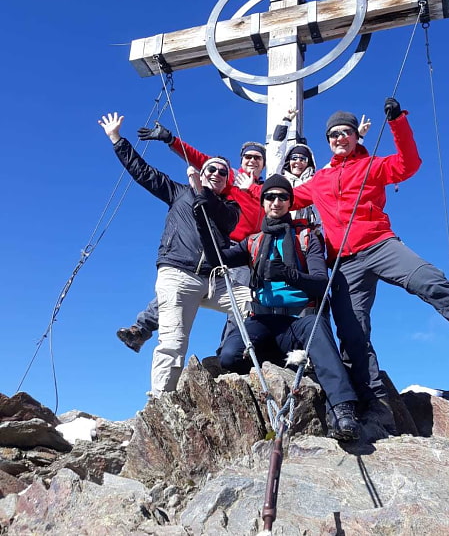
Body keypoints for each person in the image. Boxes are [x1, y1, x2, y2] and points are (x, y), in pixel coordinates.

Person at [291, 100, 449, 413]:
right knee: (353, 333)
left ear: (356, 136)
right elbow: (270, 198)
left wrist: (397, 122)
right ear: (327, 141)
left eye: (346, 132)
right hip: (345, 262)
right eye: (333, 135)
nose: (340, 138)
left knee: (432, 283)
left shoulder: (373, 165)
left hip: (380, 244)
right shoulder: (318, 182)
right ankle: (373, 405)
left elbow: (408, 164)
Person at [99, 112, 251, 396]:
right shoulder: (178, 193)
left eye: (222, 172)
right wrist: (117, 139)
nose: (216, 174)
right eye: (211, 169)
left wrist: (199, 188)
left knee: (254, 304)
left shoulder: (230, 208)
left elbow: (222, 218)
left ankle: (258, 359)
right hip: (178, 275)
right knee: (173, 343)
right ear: (202, 172)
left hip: (215, 279)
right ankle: (160, 405)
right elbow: (143, 172)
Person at [200, 174, 361, 441]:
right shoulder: (253, 241)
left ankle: (343, 410)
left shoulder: (307, 237)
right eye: (270, 197)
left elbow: (322, 284)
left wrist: (290, 275)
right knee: (228, 357)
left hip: (301, 317)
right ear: (263, 202)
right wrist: (203, 222)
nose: (276, 202)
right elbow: (216, 258)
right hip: (262, 319)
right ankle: (280, 367)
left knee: (321, 340)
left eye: (283, 197)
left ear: (291, 202)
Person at [116, 123, 266, 352]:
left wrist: (251, 190)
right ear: (241, 160)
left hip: (244, 251)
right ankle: (142, 327)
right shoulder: (227, 178)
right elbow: (197, 159)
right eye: (248, 157)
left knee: (244, 301)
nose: (252, 161)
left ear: (264, 163)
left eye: (257, 158)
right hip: (217, 249)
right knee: (180, 286)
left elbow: (262, 215)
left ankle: (232, 350)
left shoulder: (266, 191)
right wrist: (170, 139)